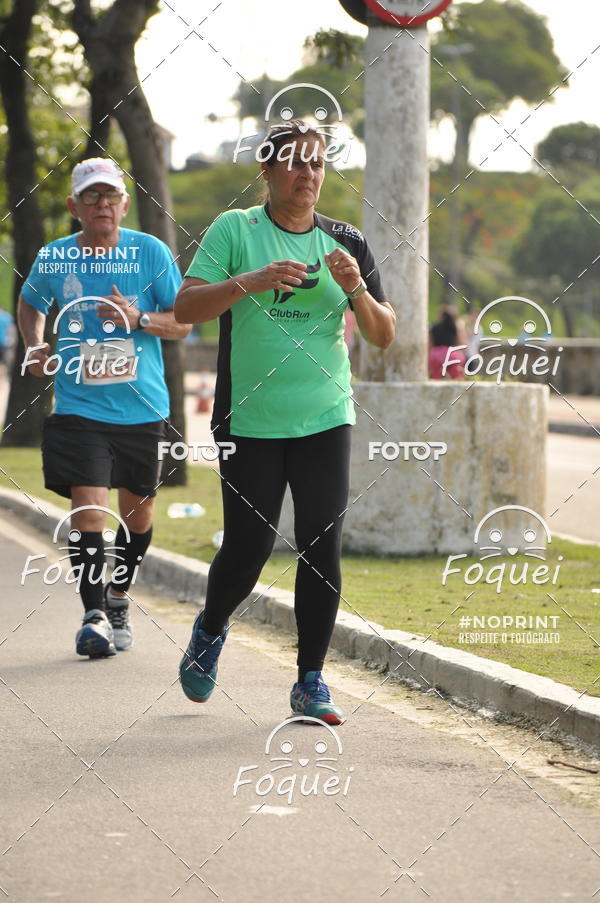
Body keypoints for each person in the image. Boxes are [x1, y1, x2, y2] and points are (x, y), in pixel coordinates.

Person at [174, 121, 396, 725]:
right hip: (249, 418)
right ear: (267, 171)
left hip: (325, 415)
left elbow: (383, 335)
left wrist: (357, 291)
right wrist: (249, 281)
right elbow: (186, 307)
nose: (308, 174)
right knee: (248, 549)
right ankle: (211, 627)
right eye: (295, 162)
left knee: (321, 544)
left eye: (317, 163)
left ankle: (310, 680)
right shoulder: (235, 230)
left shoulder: (344, 241)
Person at [18, 157, 189, 658]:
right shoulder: (55, 257)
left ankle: (117, 595)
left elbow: (184, 323)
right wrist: (34, 343)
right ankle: (93, 616)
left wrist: (139, 319)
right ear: (74, 206)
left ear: (125, 204)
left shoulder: (150, 252)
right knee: (90, 511)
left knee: (138, 519)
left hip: (141, 409)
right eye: (91, 196)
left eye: (110, 195)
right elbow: (30, 302)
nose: (102, 204)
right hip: (78, 407)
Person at [428, 304, 466, 379]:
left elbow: (430, 344)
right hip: (453, 355)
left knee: (436, 377)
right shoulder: (455, 327)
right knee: (456, 377)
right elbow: (461, 342)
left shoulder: (434, 327)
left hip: (436, 355)